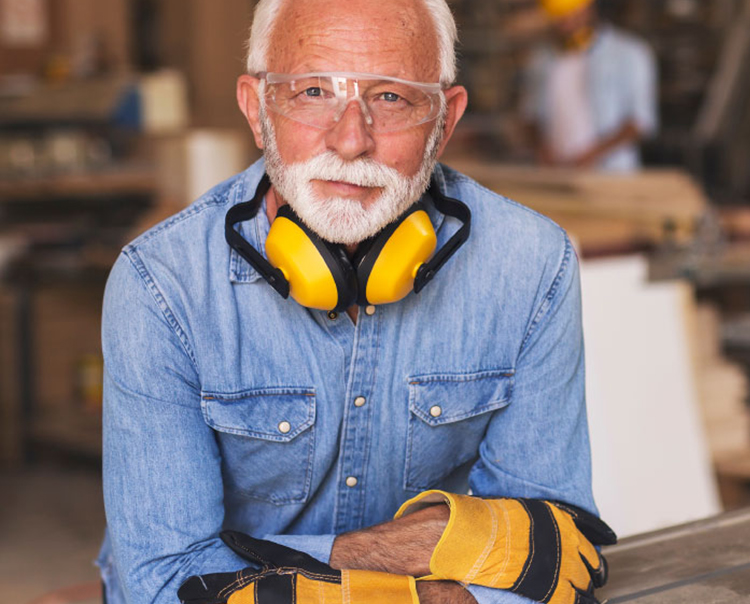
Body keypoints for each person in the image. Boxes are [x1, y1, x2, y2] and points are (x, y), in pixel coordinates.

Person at [94, 0, 609, 602]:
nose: (350, 140)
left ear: (444, 121)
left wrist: (277, 577)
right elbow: (161, 585)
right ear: (258, 111)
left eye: (391, 98)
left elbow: (557, 557)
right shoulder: (161, 285)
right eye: (313, 92)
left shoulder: (531, 263)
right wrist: (415, 551)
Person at [521, 0, 658, 171]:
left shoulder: (630, 53)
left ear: (589, 9)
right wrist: (542, 149)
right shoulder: (540, 59)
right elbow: (530, 116)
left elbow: (640, 121)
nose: (564, 22)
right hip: (556, 174)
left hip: (612, 175)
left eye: (570, 14)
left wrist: (592, 154)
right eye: (558, 17)